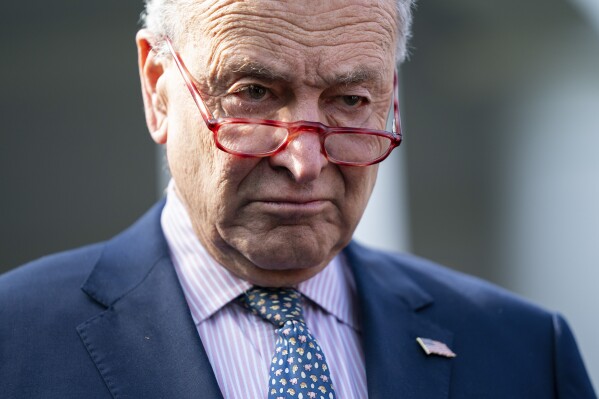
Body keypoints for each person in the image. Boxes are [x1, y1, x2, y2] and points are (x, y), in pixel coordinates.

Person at [0, 0, 596, 398]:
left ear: (392, 98)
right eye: (254, 92)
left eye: (352, 99)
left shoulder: (524, 355)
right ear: (158, 90)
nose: (304, 160)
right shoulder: (16, 344)